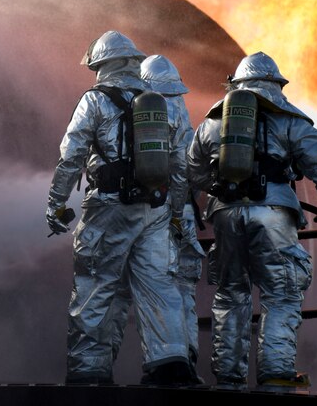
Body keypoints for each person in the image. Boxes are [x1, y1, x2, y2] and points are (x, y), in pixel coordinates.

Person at [186, 51, 317, 388]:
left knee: (230, 293)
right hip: (272, 213)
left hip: (225, 214)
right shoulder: (288, 117)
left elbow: (193, 169)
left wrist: (215, 191)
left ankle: (228, 376)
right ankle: (275, 372)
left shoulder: (214, 121)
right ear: (276, 85)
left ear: (236, 84)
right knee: (282, 292)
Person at [45, 30, 194, 385]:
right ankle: (170, 364)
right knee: (159, 285)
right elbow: (180, 164)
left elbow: (71, 156)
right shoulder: (162, 102)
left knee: (96, 285)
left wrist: (56, 204)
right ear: (133, 63)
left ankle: (89, 371)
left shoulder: (95, 100)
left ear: (101, 65)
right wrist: (173, 211)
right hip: (155, 210)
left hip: (110, 208)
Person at [105, 54, 206, 385]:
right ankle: (183, 362)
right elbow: (186, 167)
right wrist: (179, 213)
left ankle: (97, 368)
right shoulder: (180, 111)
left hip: (140, 212)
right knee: (178, 292)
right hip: (177, 213)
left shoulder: (136, 109)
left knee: (119, 290)